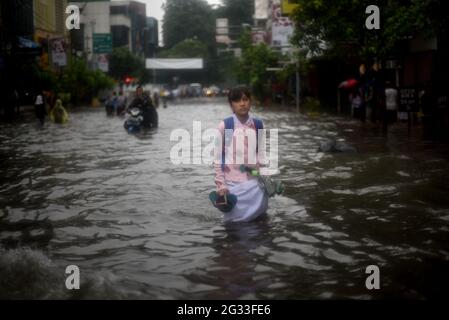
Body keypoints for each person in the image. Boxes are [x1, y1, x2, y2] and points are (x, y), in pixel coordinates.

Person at [212, 86, 269, 223]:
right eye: (237, 100)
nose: (242, 103)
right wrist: (221, 185)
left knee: (260, 223)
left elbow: (261, 155)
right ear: (231, 104)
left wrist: (267, 179)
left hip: (255, 183)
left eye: (245, 99)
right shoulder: (227, 126)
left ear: (250, 101)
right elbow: (218, 158)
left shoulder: (258, 125)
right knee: (234, 228)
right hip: (232, 185)